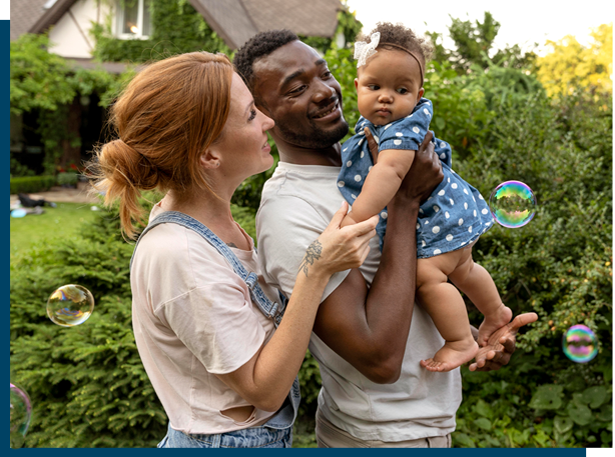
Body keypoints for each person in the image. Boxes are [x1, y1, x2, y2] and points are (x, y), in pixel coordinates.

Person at [233, 30, 538, 448]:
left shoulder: (370, 157)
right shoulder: (291, 213)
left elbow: (407, 287)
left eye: (324, 74)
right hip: (378, 438)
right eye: (298, 89)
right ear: (264, 113)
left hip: (426, 429)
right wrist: (405, 202)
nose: (324, 92)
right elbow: (377, 357)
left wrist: (472, 331)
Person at [89, 51, 380, 448]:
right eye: (250, 115)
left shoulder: (215, 229)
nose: (268, 121)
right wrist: (316, 268)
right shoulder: (181, 254)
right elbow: (264, 390)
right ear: (208, 154)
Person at [337, 22, 513, 373]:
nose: (385, 97)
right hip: (447, 214)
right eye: (374, 87)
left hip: (436, 220)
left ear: (418, 95)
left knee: (427, 277)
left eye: (400, 89)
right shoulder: (378, 125)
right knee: (464, 266)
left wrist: (354, 220)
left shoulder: (404, 130)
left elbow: (389, 174)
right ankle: (496, 312)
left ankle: (460, 340)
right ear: (357, 87)